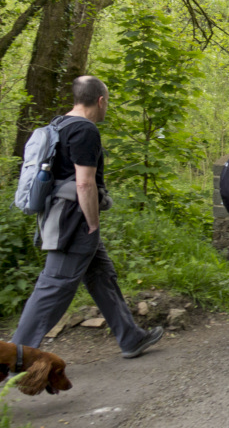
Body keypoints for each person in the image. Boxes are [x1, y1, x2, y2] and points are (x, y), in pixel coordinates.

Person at [12, 76, 163, 357]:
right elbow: (84, 183)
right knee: (53, 287)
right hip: (73, 221)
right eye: (108, 103)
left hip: (59, 216)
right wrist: (92, 223)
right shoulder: (85, 131)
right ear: (100, 101)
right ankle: (13, 358)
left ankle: (131, 337)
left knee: (102, 276)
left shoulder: (58, 125)